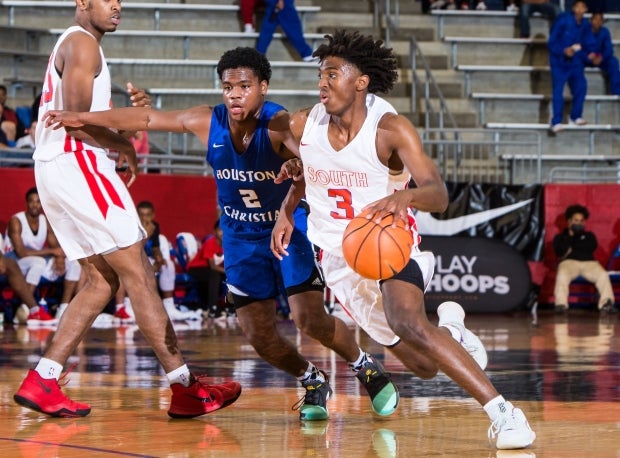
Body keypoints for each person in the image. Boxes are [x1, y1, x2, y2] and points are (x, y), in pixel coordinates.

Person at [42, 46, 405, 422]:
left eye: (245, 86)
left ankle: (365, 366)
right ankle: (312, 380)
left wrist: (297, 171)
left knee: (309, 319)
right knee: (259, 335)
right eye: (228, 86)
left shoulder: (279, 125)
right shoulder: (207, 120)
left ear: (263, 87)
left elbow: (319, 164)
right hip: (239, 239)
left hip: (285, 232)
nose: (235, 94)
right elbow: (148, 117)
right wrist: (80, 116)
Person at [270, 30, 536, 450]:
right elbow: (303, 167)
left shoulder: (390, 130)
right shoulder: (304, 123)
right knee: (423, 367)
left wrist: (404, 195)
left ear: (361, 82)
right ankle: (451, 327)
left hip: (388, 240)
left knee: (407, 320)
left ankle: (505, 413)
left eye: (332, 74)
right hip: (339, 257)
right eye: (320, 74)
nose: (322, 83)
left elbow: (439, 194)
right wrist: (287, 207)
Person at [13, 0, 241, 419]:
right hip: (76, 163)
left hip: (54, 169)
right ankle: (185, 386)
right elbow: (76, 119)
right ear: (82, 2)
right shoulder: (83, 44)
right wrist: (124, 141)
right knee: (138, 268)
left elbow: (82, 115)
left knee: (101, 282)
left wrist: (130, 120)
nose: (117, 5)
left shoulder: (78, 45)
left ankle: (43, 379)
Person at [5, 187, 81, 326]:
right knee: (38, 262)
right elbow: (21, 252)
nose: (35, 205)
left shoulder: (44, 221)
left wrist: (59, 257)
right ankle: (25, 310)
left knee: (74, 263)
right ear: (26, 203)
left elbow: (55, 247)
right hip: (13, 262)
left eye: (38, 202)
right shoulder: (16, 221)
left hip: (34, 261)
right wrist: (52, 252)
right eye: (32, 201)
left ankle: (63, 309)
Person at [552, 204, 616, 314]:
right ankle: (561, 305)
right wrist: (570, 236)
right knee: (562, 274)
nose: (579, 223)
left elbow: (590, 247)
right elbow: (560, 252)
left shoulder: (589, 236)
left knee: (603, 275)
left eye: (581, 221)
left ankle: (606, 304)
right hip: (569, 263)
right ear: (569, 221)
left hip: (589, 263)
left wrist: (572, 247)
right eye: (576, 220)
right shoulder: (560, 237)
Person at [548, 0, 596, 132]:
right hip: (559, 62)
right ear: (574, 8)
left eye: (583, 7)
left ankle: (575, 116)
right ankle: (556, 121)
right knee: (558, 90)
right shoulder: (563, 21)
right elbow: (552, 42)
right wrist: (563, 50)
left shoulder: (586, 25)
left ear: (586, 9)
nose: (580, 9)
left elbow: (588, 44)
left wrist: (590, 55)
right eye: (577, 6)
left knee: (581, 86)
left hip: (576, 62)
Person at [187, 218, 227, 318]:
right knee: (215, 275)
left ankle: (229, 308)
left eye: (225, 230)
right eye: (220, 230)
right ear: (215, 231)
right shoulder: (210, 242)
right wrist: (227, 271)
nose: (222, 233)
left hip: (209, 270)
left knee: (225, 278)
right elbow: (213, 266)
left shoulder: (227, 244)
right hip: (195, 269)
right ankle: (212, 308)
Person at [588, 12, 620, 94]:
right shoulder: (584, 31)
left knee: (613, 62)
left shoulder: (605, 32)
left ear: (602, 22)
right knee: (575, 61)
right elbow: (580, 47)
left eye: (600, 20)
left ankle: (616, 92)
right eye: (595, 19)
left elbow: (609, 49)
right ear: (591, 21)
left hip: (600, 60)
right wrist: (587, 56)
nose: (598, 22)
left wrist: (601, 57)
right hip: (586, 59)